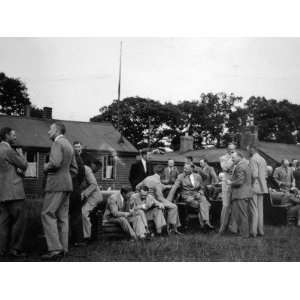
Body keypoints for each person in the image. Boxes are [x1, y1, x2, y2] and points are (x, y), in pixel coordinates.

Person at [41, 122, 78, 260]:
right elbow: (74, 169)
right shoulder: (68, 145)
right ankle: (64, 249)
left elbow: (55, 163)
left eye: (50, 129)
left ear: (56, 130)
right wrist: (66, 178)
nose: (48, 132)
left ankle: (55, 250)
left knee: (47, 214)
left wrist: (45, 167)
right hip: (67, 185)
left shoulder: (57, 143)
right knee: (63, 217)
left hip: (55, 185)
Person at [0, 127, 28, 257]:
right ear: (6, 136)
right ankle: (15, 249)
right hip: (15, 192)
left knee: (3, 223)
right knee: (19, 221)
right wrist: (21, 154)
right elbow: (23, 164)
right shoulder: (8, 150)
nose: (15, 137)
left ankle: (2, 250)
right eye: (13, 135)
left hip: (2, 193)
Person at [136, 165, 181, 234]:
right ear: (162, 173)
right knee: (174, 206)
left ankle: (174, 227)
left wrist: (142, 196)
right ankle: (170, 227)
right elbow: (160, 198)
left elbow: (137, 187)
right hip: (154, 202)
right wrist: (169, 202)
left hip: (146, 201)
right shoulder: (157, 182)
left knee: (171, 205)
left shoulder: (148, 178)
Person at [167, 163, 213, 230]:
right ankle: (206, 223)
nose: (184, 170)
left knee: (203, 199)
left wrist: (200, 193)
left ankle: (205, 224)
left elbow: (202, 187)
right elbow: (174, 187)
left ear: (192, 169)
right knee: (206, 205)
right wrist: (168, 200)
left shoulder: (198, 176)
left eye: (186, 168)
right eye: (184, 168)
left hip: (197, 195)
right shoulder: (180, 176)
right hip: (188, 196)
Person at [227, 152, 252, 238]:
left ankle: (244, 234)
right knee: (242, 214)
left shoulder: (240, 166)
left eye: (233, 157)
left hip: (241, 193)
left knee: (242, 214)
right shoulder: (245, 164)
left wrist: (231, 182)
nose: (232, 159)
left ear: (239, 157)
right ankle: (242, 233)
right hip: (245, 193)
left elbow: (240, 181)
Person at [248, 145, 268, 237]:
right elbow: (265, 174)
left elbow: (254, 175)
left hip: (254, 186)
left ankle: (253, 232)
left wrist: (250, 185)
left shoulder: (252, 159)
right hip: (262, 186)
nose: (248, 151)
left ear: (252, 150)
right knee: (260, 210)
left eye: (248, 150)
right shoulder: (263, 159)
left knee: (253, 209)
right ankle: (261, 231)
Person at [81, 158, 103, 240]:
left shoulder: (87, 169)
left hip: (94, 197)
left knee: (83, 213)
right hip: (89, 196)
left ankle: (87, 236)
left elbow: (93, 185)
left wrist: (84, 194)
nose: (96, 171)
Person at [69, 141, 86, 246]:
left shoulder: (76, 158)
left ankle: (75, 239)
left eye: (78, 147)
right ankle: (77, 240)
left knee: (74, 214)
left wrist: (75, 184)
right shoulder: (78, 158)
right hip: (75, 189)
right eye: (75, 147)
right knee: (76, 214)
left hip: (73, 189)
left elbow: (81, 174)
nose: (77, 149)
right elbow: (81, 174)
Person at [218, 143, 237, 234]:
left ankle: (233, 228)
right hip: (226, 185)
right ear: (227, 149)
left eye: (233, 149)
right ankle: (223, 227)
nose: (232, 151)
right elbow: (225, 168)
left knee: (235, 206)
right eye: (230, 149)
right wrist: (233, 161)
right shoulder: (223, 158)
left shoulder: (239, 157)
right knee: (225, 206)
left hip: (236, 184)